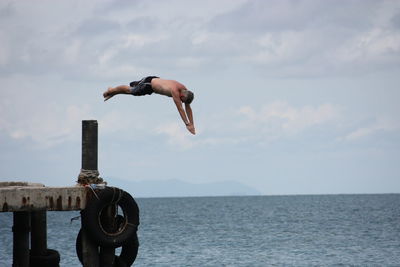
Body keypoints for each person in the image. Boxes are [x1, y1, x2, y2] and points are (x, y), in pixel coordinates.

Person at [103, 76, 195, 134]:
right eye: (182, 100)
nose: (182, 102)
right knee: (130, 90)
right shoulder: (175, 91)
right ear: (182, 95)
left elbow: (188, 107)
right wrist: (187, 124)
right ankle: (111, 90)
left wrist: (192, 124)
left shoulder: (184, 90)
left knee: (132, 90)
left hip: (152, 84)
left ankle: (114, 92)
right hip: (148, 84)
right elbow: (180, 109)